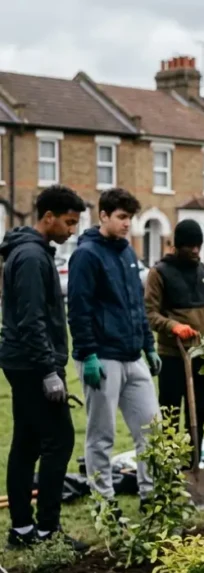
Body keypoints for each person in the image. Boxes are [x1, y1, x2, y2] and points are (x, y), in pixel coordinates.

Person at [0, 184, 87, 550]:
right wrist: (49, 372)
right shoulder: (33, 258)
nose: (72, 230)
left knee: (26, 443)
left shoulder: (30, 252)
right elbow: (31, 320)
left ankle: (22, 530)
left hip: (23, 362)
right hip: (34, 365)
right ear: (47, 217)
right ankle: (49, 531)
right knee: (59, 440)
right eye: (68, 222)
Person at [67, 188, 162, 515]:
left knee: (153, 429)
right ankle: (105, 504)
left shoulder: (126, 253)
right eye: (121, 217)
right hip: (102, 357)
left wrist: (148, 347)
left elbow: (137, 304)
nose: (127, 224)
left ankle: (152, 496)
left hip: (132, 356)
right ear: (103, 216)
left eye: (130, 218)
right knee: (101, 435)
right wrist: (88, 354)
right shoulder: (86, 255)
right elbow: (78, 309)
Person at [145, 220, 204, 457]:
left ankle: (193, 461)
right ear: (177, 246)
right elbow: (150, 313)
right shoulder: (159, 273)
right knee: (171, 412)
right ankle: (171, 465)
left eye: (198, 246)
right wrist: (173, 326)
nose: (195, 251)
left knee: (198, 413)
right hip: (173, 355)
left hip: (203, 357)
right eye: (189, 246)